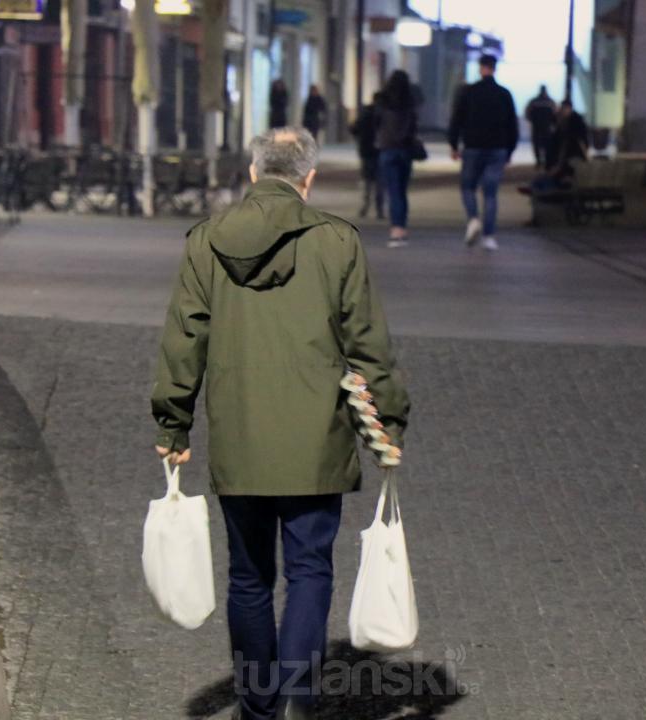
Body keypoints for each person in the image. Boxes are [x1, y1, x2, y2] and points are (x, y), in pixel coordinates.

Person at [151, 127, 410, 720]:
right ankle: (298, 698)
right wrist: (389, 420)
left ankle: (256, 705)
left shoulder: (207, 241)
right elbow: (368, 342)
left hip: (240, 435)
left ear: (252, 173)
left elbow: (184, 338)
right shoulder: (337, 241)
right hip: (316, 435)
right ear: (308, 179)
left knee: (248, 577)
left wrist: (173, 424)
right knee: (310, 569)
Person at [447, 53, 519, 251]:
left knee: (468, 187)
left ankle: (473, 219)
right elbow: (512, 125)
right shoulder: (504, 94)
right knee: (490, 193)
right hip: (497, 149)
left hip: (472, 147)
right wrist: (510, 151)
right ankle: (489, 236)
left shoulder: (468, 92)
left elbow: (457, 120)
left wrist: (453, 145)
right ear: (494, 68)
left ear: (480, 68)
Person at [375, 70, 418, 248]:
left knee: (393, 192)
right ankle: (402, 226)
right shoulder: (410, 103)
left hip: (387, 149)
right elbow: (414, 127)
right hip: (405, 150)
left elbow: (375, 123)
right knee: (402, 190)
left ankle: (396, 229)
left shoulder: (382, 101)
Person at [533, 99, 589, 192]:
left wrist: (558, 167)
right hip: (562, 165)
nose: (563, 111)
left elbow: (571, 148)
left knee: (545, 183)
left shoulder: (573, 127)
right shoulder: (562, 126)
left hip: (566, 166)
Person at [349, 93, 384, 219]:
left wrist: (360, 138)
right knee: (380, 181)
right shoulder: (384, 114)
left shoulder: (366, 113)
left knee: (368, 180)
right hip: (380, 151)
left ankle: (365, 206)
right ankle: (379, 209)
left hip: (366, 150)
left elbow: (353, 128)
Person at [524, 85, 557, 166]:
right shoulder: (550, 102)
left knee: (537, 146)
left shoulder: (533, 101)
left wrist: (533, 120)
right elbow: (555, 115)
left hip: (536, 127)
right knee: (547, 146)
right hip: (546, 128)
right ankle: (546, 162)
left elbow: (527, 113)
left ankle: (539, 161)